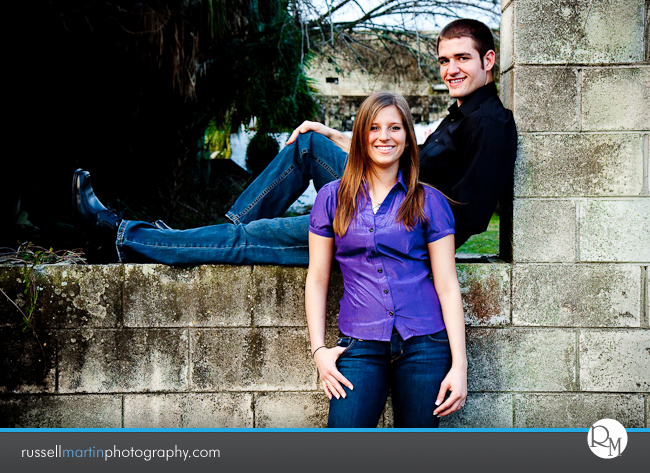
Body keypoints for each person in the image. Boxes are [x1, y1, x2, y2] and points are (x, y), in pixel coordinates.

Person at [74, 18, 516, 265]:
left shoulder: (491, 125)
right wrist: (336, 136)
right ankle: (209, 232)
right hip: (379, 196)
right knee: (306, 144)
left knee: (247, 242)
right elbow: (404, 155)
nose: (450, 68)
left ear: (488, 60)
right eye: (444, 60)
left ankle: (121, 235)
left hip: (392, 227)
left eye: (462, 58)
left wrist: (391, 213)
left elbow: (472, 217)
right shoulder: (463, 113)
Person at [306, 91, 466, 427]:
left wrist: (459, 366)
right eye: (374, 128)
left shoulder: (430, 201)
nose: (384, 137)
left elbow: (447, 285)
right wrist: (319, 351)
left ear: (408, 138)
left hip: (425, 345)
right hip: (359, 345)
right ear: (361, 135)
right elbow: (318, 279)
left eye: (395, 128)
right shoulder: (331, 198)